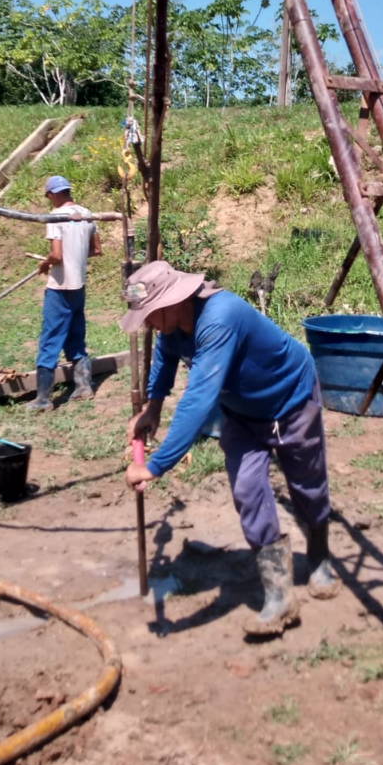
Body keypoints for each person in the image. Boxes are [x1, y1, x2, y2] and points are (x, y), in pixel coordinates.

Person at [122, 260, 340, 638]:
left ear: (174, 301)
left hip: (290, 400)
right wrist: (153, 408)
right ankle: (280, 596)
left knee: (306, 486)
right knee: (247, 490)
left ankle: (319, 558)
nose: (148, 324)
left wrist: (155, 466)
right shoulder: (171, 324)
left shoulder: (220, 318)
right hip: (241, 414)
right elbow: (164, 356)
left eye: (150, 315)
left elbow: (199, 398)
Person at [26, 175, 102, 411]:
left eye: (48, 196)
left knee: (50, 338)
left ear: (52, 194)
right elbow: (97, 250)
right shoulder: (87, 214)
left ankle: (43, 399)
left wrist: (45, 264)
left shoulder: (55, 216)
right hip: (78, 286)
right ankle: (84, 387)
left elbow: (57, 255)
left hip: (59, 288)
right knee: (75, 334)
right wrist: (75, 258)